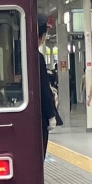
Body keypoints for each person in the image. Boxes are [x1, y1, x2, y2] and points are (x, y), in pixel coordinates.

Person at [38, 14, 57, 158]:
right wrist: (51, 115)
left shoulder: (14, 52)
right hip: (39, 117)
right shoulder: (37, 57)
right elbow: (43, 88)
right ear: (42, 36)